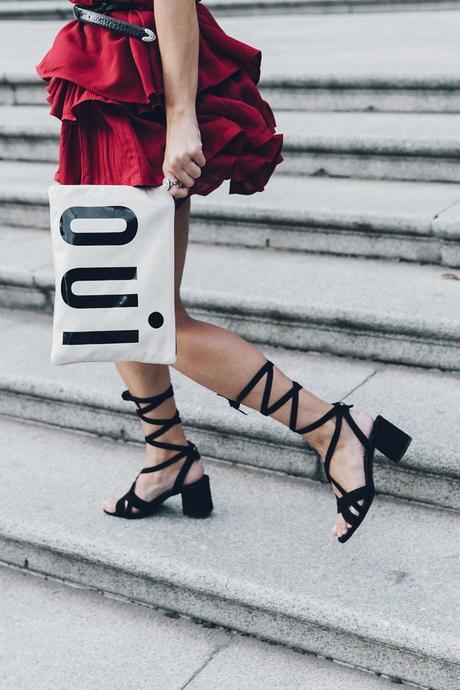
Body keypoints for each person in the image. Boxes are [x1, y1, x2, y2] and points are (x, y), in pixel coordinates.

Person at [35, 0, 411, 543]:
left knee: (144, 308)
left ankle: (332, 429)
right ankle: (167, 454)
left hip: (134, 76)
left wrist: (181, 114)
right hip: (101, 67)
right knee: (115, 298)